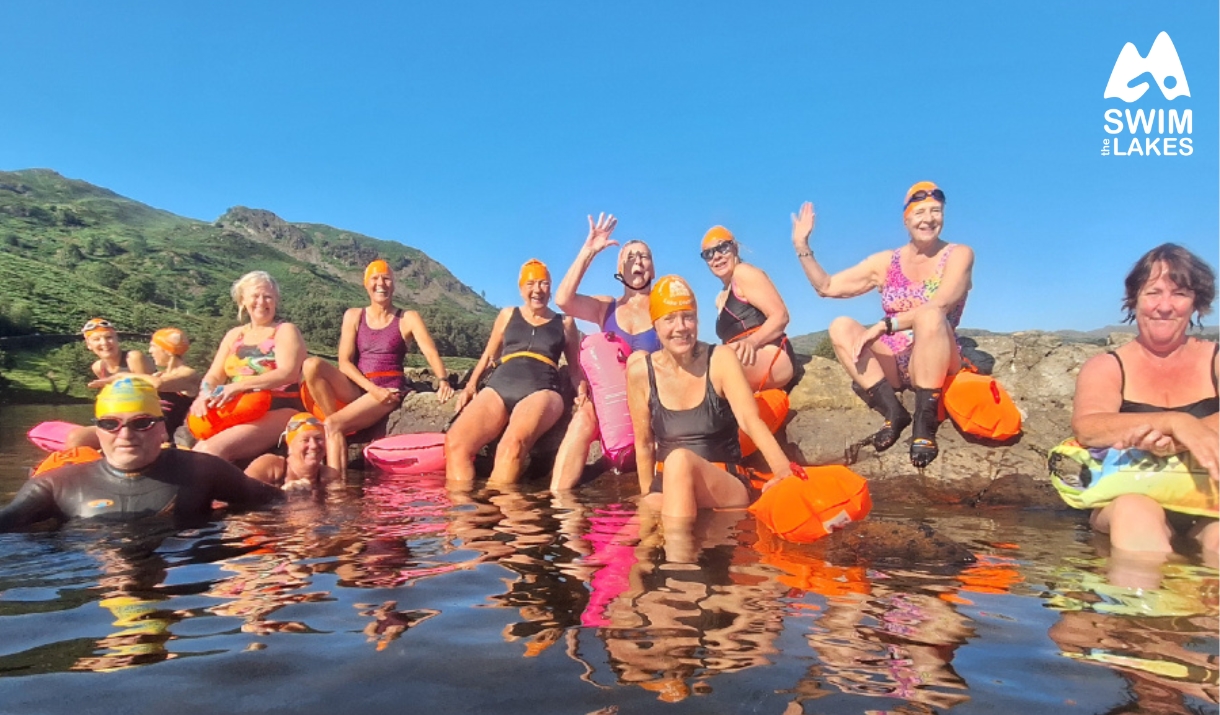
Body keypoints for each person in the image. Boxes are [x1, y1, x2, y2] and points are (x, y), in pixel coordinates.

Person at [791, 183, 974, 468]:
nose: (928, 218)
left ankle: (924, 425)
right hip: (896, 360)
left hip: (938, 353)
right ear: (906, 218)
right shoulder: (887, 262)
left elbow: (940, 305)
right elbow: (826, 287)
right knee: (841, 326)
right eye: (920, 212)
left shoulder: (959, 254)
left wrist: (886, 325)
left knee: (929, 316)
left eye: (936, 211)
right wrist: (802, 246)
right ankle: (894, 412)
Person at [1070, 243, 1218, 557]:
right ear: (1134, 298)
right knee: (1134, 513)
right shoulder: (1107, 366)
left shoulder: (1215, 360)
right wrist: (1174, 422)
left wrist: (1183, 437)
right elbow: (1089, 427)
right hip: (1127, 497)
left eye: (1179, 294)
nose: (1164, 306)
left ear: (1196, 304)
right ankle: (1141, 602)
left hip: (1209, 501)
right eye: (1153, 292)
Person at [0, 377, 283, 532]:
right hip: (95, 573)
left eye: (141, 423)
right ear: (97, 430)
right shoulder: (55, 485)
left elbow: (281, 503)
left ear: (162, 429)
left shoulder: (203, 470)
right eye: (110, 424)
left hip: (181, 574)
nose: (125, 434)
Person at [625, 275, 795, 517]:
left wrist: (781, 468)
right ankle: (661, 550)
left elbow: (750, 419)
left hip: (724, 486)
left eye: (688, 317)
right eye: (670, 318)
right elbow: (643, 444)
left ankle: (677, 555)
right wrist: (648, 500)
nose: (681, 327)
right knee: (635, 541)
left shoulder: (721, 359)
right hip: (667, 488)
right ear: (655, 325)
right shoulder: (640, 372)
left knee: (679, 461)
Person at [300, 259, 454, 476]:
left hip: (389, 389)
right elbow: (344, 362)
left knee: (333, 425)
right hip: (361, 387)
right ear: (365, 284)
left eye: (386, 278)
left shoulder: (407, 317)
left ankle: (336, 492)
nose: (381, 283)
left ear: (394, 284)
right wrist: (371, 389)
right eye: (375, 278)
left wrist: (443, 381)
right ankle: (337, 427)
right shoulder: (353, 316)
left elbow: (430, 351)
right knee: (311, 364)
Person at [446, 259, 583, 484]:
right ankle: (463, 516)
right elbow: (489, 356)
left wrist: (583, 391)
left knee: (511, 446)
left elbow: (575, 369)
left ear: (550, 288)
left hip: (541, 389)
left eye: (543, 283)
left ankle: (497, 510)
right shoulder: (508, 314)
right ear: (521, 289)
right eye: (530, 284)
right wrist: (470, 386)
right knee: (455, 442)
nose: (537, 290)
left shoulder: (565, 322)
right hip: (500, 385)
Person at [550, 213, 660, 490]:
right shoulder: (605, 308)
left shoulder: (664, 308)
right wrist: (589, 252)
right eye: (630, 256)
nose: (638, 261)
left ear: (653, 269)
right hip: (613, 411)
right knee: (585, 415)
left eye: (644, 256)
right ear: (619, 269)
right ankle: (560, 505)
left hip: (653, 409)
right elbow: (563, 299)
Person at [189, 270, 307, 462]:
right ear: (242, 300)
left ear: (276, 301)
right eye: (255, 296)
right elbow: (214, 376)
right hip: (239, 406)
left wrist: (238, 386)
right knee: (194, 447)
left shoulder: (285, 331)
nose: (261, 302)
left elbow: (288, 373)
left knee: (211, 450)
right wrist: (204, 393)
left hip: (278, 407)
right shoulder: (234, 335)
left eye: (268, 297)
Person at [701, 226, 799, 392]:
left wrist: (752, 342)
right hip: (742, 358)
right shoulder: (720, 298)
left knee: (711, 362)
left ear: (735, 248)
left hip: (771, 353)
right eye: (708, 254)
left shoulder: (743, 273)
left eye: (722, 248)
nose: (716, 256)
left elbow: (780, 316)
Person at [64, 318, 153, 449]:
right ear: (89, 345)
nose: (104, 343)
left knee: (78, 438)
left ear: (117, 339)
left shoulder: (133, 358)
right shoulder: (98, 367)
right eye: (97, 339)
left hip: (147, 420)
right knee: (76, 437)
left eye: (109, 337)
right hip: (120, 421)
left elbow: (148, 396)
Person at [246, 413, 340, 492]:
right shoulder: (270, 465)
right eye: (305, 440)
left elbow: (338, 507)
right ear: (290, 446)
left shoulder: (327, 475)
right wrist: (281, 494)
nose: (314, 445)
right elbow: (241, 493)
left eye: (318, 439)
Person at [139, 327, 198, 439]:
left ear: (168, 351)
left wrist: (121, 376)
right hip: (154, 435)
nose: (150, 351)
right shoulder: (158, 375)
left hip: (179, 439)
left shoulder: (188, 374)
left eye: (153, 346)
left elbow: (159, 384)